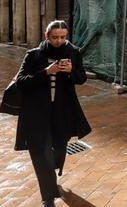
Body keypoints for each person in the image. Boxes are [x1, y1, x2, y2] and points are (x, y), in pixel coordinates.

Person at [14, 20, 91, 206]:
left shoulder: (73, 52)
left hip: (63, 112)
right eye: (55, 37)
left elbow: (81, 78)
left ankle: (53, 166)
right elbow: (21, 81)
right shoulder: (34, 55)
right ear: (46, 36)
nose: (59, 41)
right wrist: (46, 72)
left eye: (63, 37)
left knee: (59, 149)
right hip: (37, 113)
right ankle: (48, 197)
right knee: (41, 153)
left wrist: (72, 71)